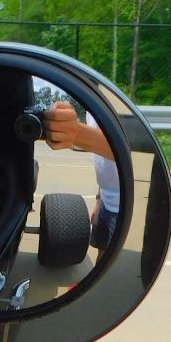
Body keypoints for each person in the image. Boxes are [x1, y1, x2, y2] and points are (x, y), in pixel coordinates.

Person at [42, 101, 120, 248]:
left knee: (115, 262)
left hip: (124, 205)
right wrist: (99, 200)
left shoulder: (114, 99)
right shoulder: (93, 104)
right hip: (106, 200)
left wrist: (76, 132)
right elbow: (106, 162)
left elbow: (126, 150)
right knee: (103, 254)